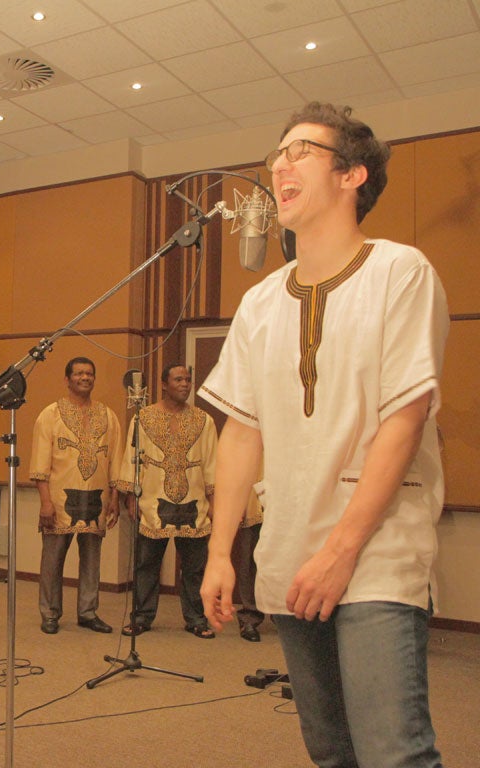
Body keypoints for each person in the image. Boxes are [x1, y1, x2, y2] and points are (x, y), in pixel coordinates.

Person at [199, 102, 448, 767]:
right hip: (287, 552)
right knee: (331, 752)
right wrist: (221, 551)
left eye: (301, 151)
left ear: (352, 175)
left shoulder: (401, 272)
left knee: (393, 754)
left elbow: (406, 416)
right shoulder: (259, 302)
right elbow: (240, 432)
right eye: (277, 153)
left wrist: (341, 551)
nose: (280, 163)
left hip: (374, 550)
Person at [118, 364, 217, 639]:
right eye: (178, 379)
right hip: (152, 501)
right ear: (164, 384)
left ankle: (196, 619)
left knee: (194, 568)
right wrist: (130, 497)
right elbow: (131, 459)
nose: (185, 384)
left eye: (188, 380)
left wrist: (214, 501)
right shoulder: (143, 418)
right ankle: (141, 617)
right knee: (146, 565)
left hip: (194, 504)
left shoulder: (203, 420)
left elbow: (211, 464)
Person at [30, 357, 122, 635]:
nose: (85, 378)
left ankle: (87, 611)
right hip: (59, 500)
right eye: (79, 373)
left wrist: (115, 496)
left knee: (92, 559)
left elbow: (116, 458)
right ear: (67, 378)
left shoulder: (108, 416)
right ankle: (50, 613)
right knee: (52, 559)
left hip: (97, 499)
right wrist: (45, 501)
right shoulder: (50, 415)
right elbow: (40, 462)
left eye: (90, 373)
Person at [235, 483, 264, 642]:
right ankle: (249, 617)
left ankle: (284, 616)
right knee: (249, 561)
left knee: (284, 560)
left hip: (284, 501)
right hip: (253, 500)